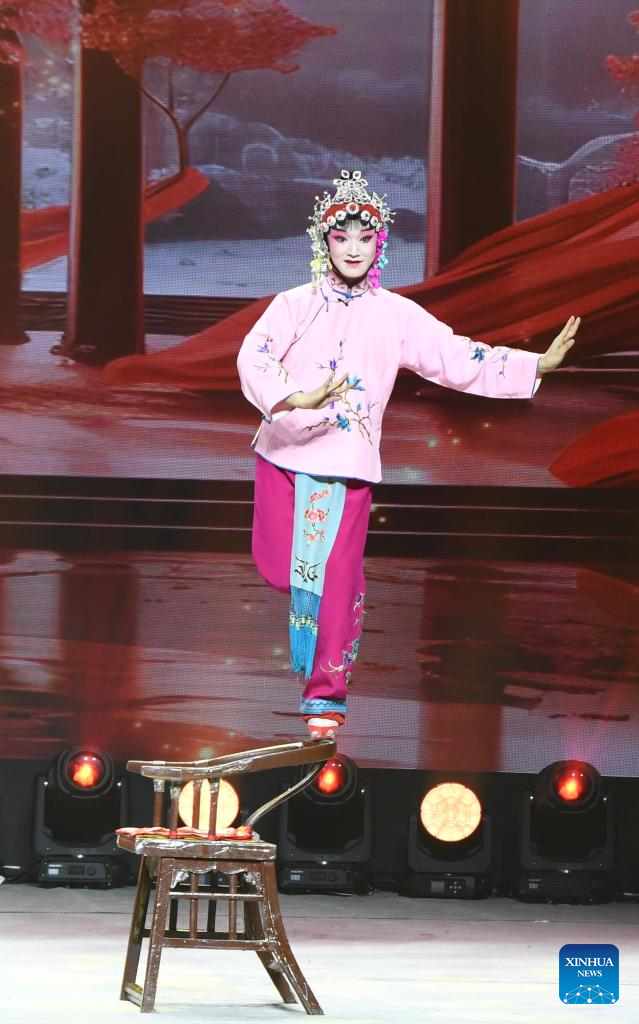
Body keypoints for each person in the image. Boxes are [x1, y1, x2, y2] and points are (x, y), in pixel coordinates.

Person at [236, 169, 580, 741]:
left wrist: (531, 366)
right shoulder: (293, 304)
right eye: (341, 238)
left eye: (363, 239)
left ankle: (326, 696)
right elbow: (255, 356)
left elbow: (455, 356)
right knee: (283, 569)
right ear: (325, 243)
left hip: (347, 464)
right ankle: (310, 619)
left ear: (379, 246)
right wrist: (292, 396)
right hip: (283, 450)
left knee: (337, 578)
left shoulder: (396, 314)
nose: (351, 248)